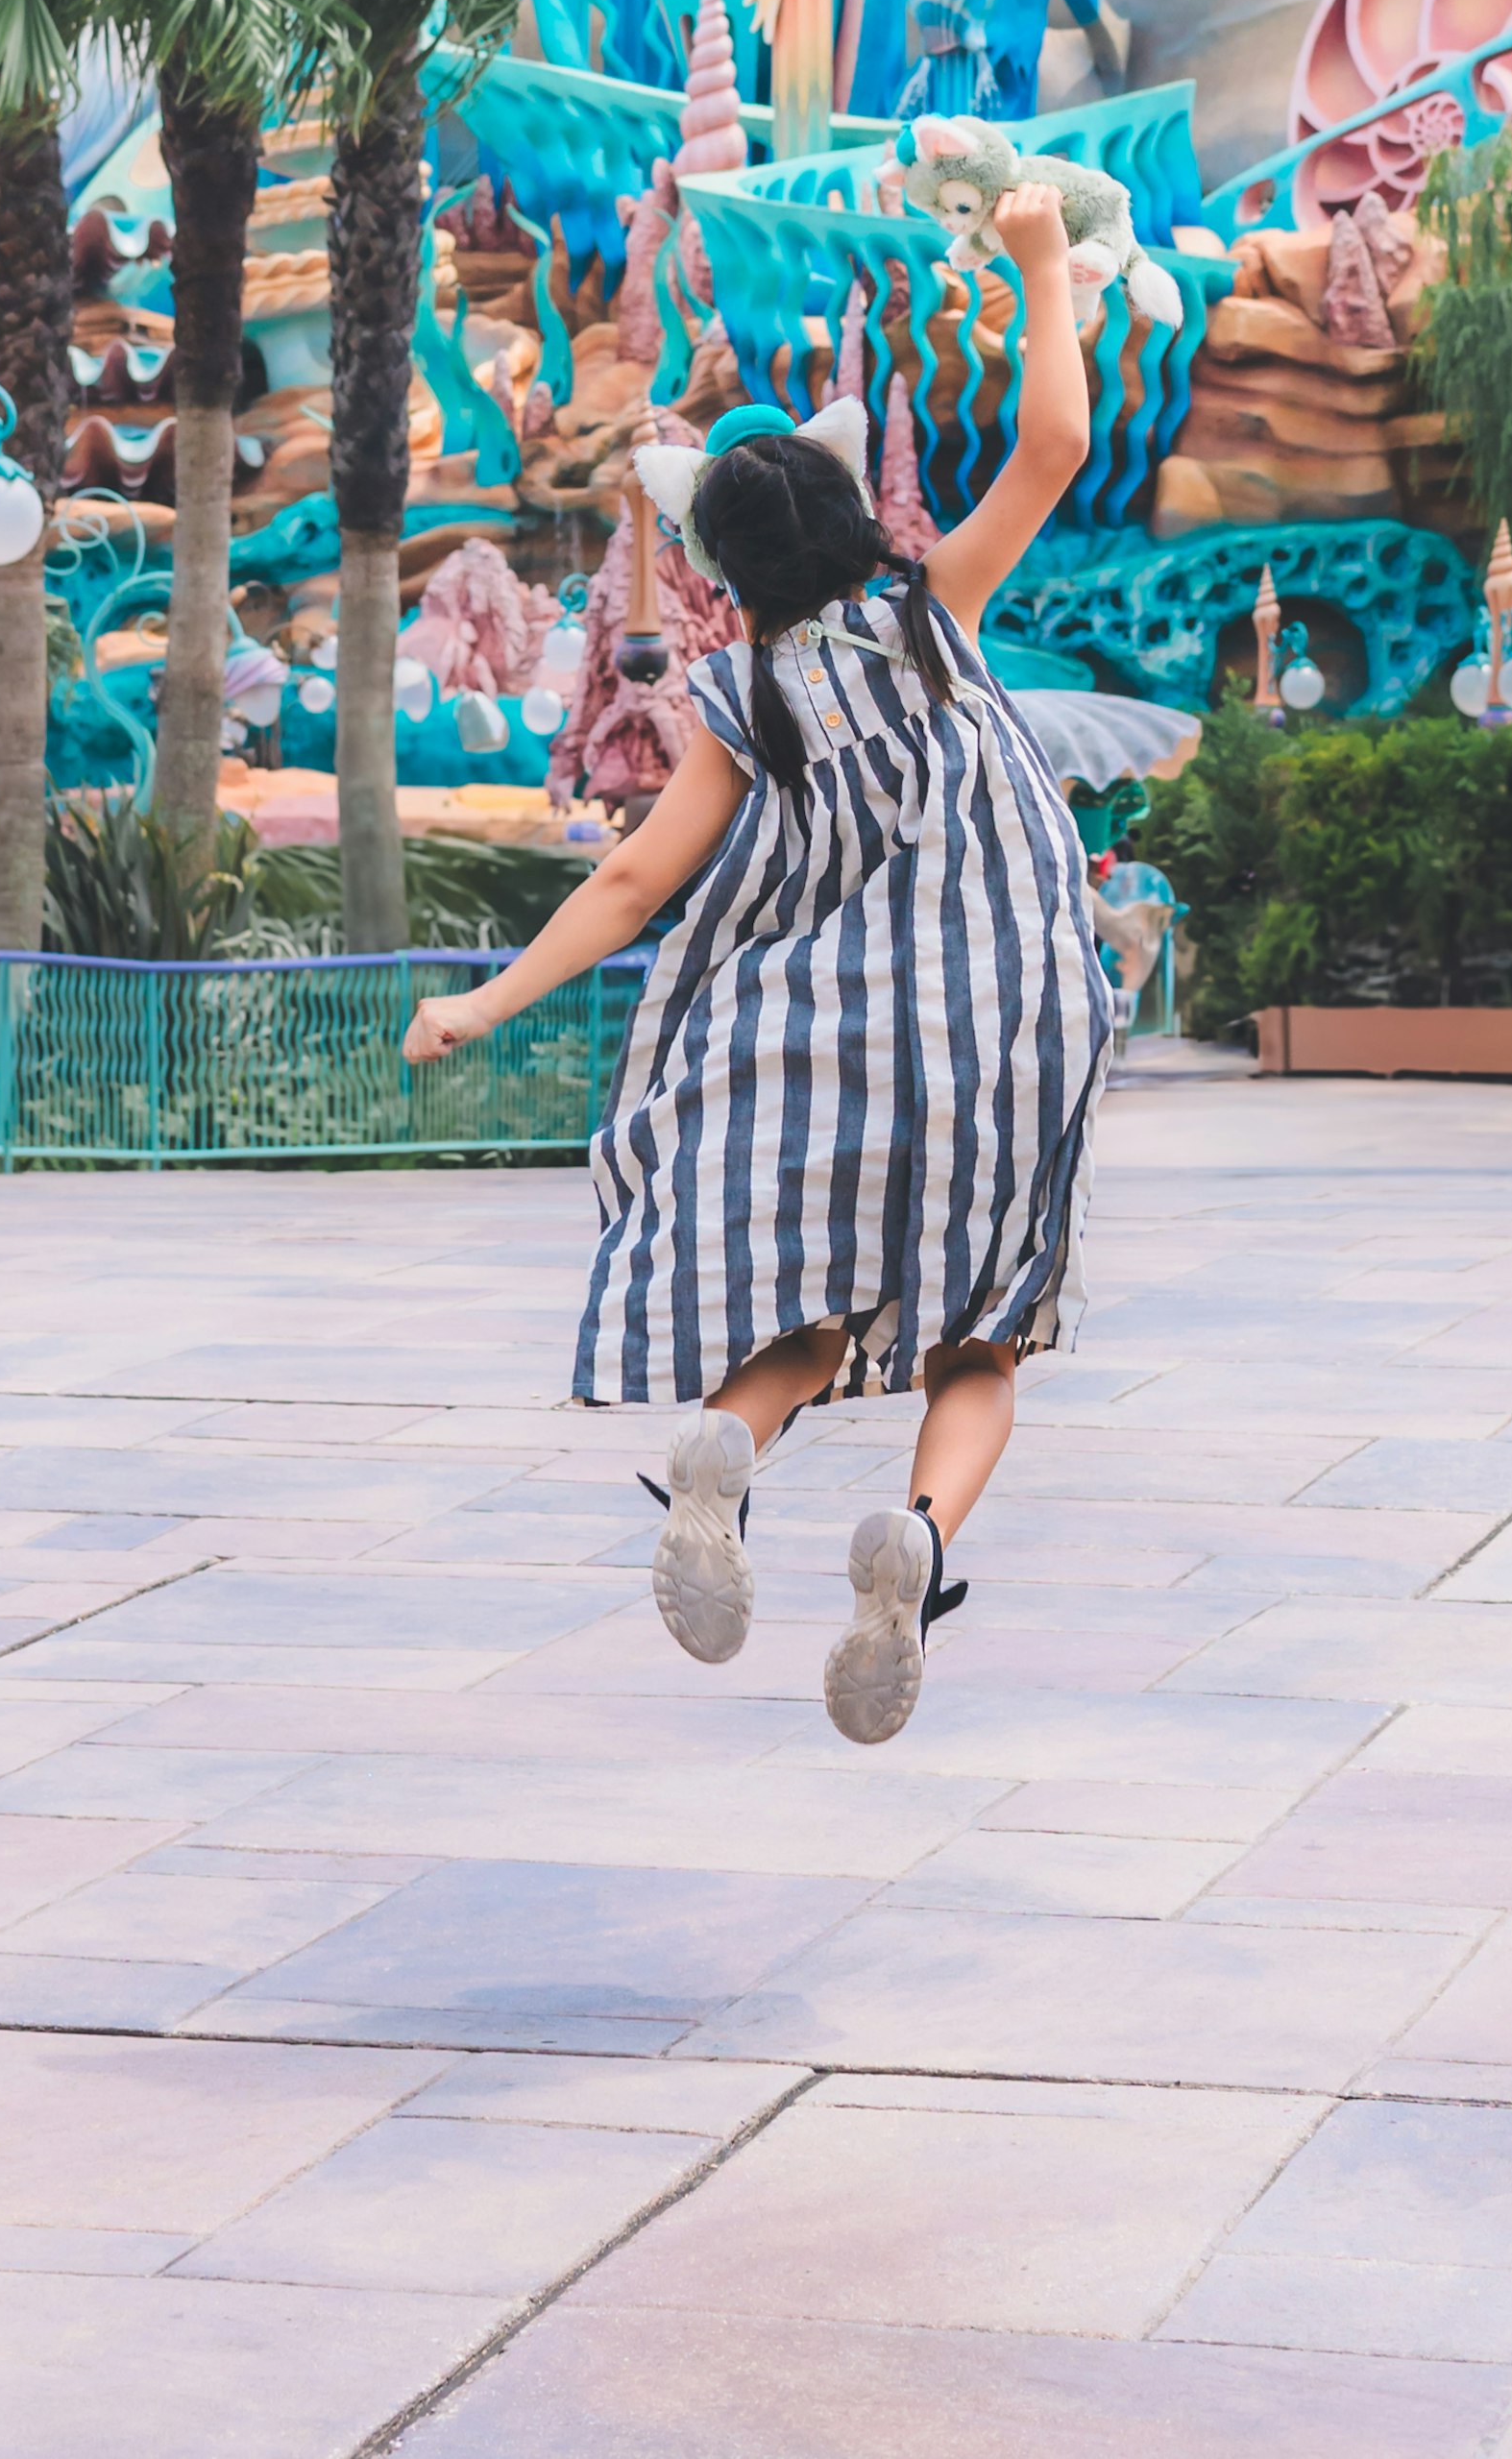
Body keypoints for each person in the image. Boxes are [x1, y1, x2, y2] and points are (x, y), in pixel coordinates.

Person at [402, 180, 1110, 1745]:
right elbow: (1055, 443)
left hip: (836, 1043)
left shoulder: (741, 697)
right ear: (866, 523)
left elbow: (643, 877)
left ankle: (726, 1438)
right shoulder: (937, 615)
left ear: (723, 581)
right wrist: (1045, 257)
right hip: (1014, 1026)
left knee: (814, 1307)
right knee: (980, 1332)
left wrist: (484, 997)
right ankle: (916, 1548)